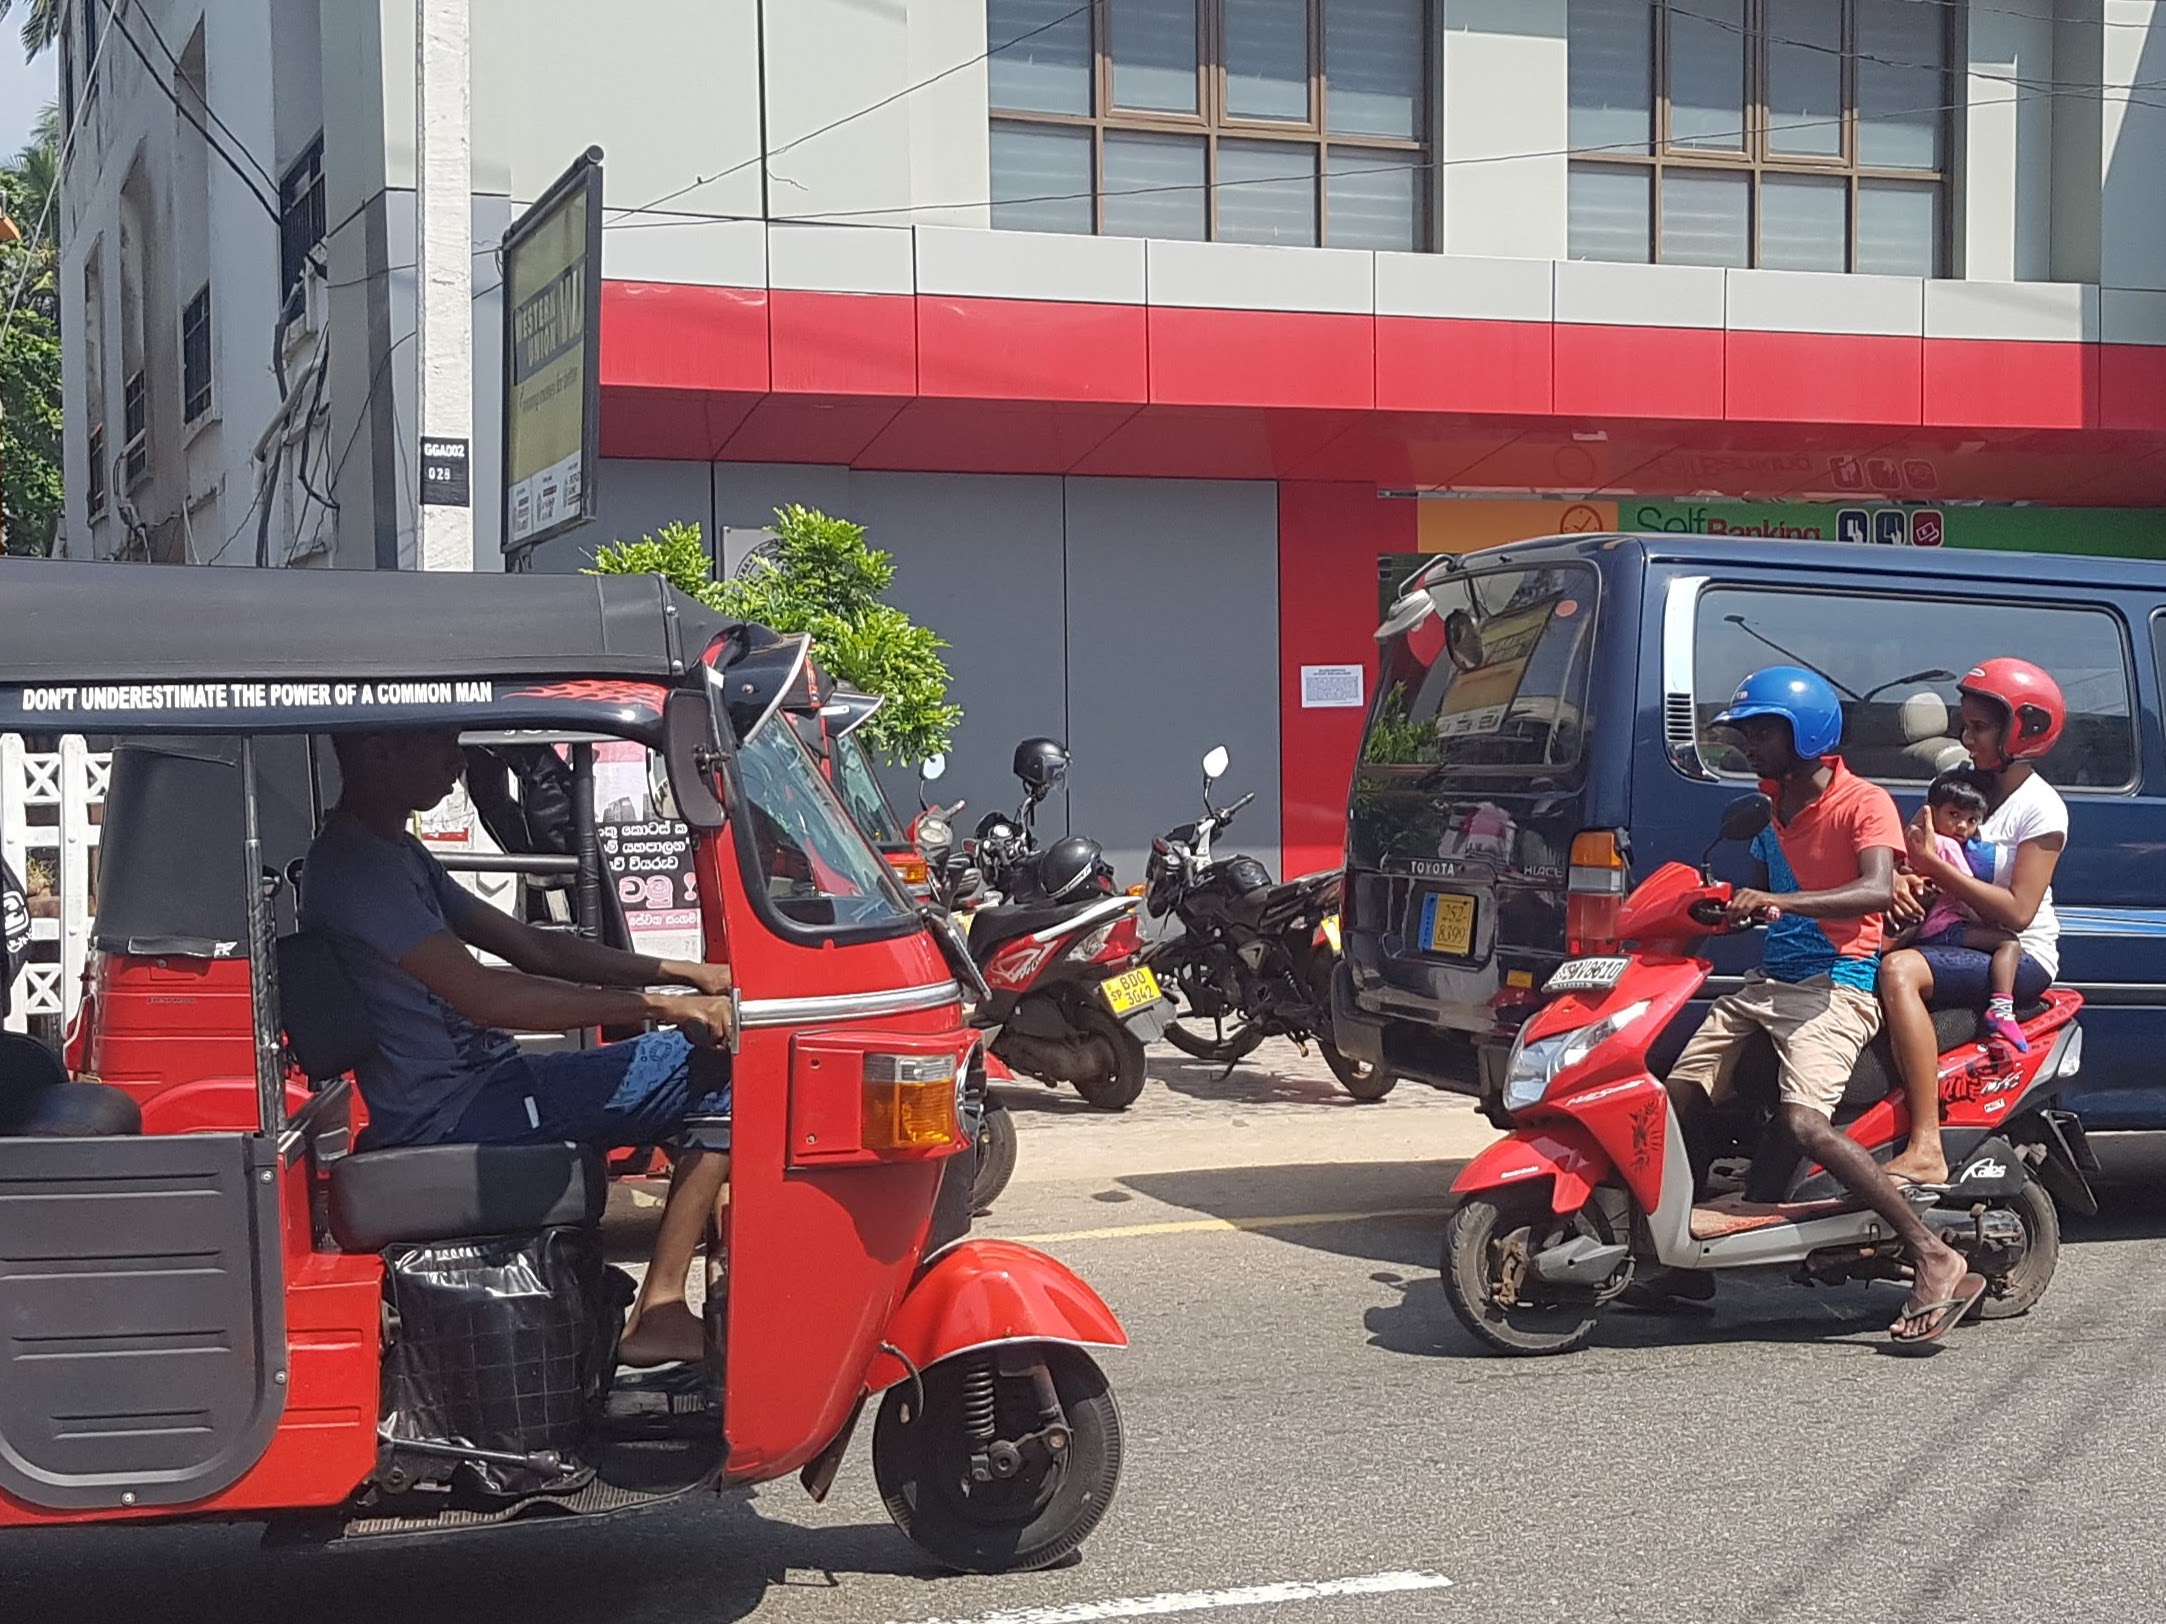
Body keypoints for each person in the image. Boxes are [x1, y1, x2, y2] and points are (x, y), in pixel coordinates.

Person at [300, 726, 737, 1368]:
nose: (458, 761)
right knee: (722, 1069)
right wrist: (663, 1007)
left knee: (699, 1067)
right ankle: (661, 1309)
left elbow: (534, 947)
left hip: (488, 1088)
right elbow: (486, 996)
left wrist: (685, 974)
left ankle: (686, 1290)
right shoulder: (355, 868)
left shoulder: (397, 854)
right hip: (457, 1112)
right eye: (441, 744)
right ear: (379, 750)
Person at [1652, 666, 1980, 1342]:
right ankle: (1686, 1265)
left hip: (1837, 983)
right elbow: (1759, 896)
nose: (1749, 745)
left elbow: (1876, 891)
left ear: (1805, 734)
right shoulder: (1769, 811)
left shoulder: (1864, 803)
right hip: (1767, 985)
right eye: (1745, 733)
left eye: (1761, 732)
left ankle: (1932, 1254)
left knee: (1804, 1123)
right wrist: (1719, 909)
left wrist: (1778, 901)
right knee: (1671, 1099)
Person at [1878, 660, 2068, 1224]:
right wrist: (1902, 880)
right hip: (1952, 932)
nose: (1967, 738)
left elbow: (2018, 911)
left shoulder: (2042, 808)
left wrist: (1935, 867)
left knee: (1899, 972)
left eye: (1981, 727)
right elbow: (1916, 848)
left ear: (2024, 731)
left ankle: (1927, 1146)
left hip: (2017, 952)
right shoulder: (1961, 782)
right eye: (1965, 725)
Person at [1891, 768, 2030, 1053]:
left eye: (1972, 820)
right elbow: (1967, 894)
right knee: (2008, 942)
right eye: (1954, 815)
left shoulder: (1916, 840)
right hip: (1946, 928)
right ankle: (2002, 1008)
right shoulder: (1947, 847)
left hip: (1921, 930)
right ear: (1932, 813)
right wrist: (1988, 920)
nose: (1962, 826)